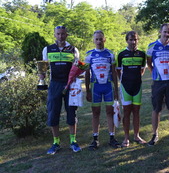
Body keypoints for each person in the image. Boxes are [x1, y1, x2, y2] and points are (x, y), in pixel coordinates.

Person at [40, 26, 81, 155]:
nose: (60, 36)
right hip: (55, 84)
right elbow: (44, 67)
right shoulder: (47, 49)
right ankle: (56, 143)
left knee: (71, 113)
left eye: (63, 34)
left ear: (66, 35)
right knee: (53, 113)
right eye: (58, 34)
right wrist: (42, 76)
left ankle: (73, 141)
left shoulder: (73, 49)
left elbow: (77, 67)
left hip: (70, 85)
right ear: (54, 35)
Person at [85, 30, 120, 150]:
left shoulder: (110, 54)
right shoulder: (89, 54)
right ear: (93, 40)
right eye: (97, 39)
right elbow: (87, 73)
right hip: (96, 87)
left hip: (108, 87)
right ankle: (95, 139)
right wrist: (87, 90)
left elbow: (114, 73)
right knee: (95, 113)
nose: (99, 41)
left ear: (104, 39)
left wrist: (116, 88)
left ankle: (112, 137)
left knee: (110, 112)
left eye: (101, 39)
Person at [146, 23, 169, 146]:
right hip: (158, 82)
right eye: (165, 32)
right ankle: (155, 134)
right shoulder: (152, 46)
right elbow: (149, 62)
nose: (167, 34)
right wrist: (154, 73)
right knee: (156, 109)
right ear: (160, 32)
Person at [116, 31, 147, 147]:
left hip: (137, 86)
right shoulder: (121, 54)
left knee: (136, 112)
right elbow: (118, 70)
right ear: (127, 40)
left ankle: (137, 135)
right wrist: (123, 81)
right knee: (127, 112)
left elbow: (142, 70)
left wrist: (136, 78)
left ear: (138, 40)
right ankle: (126, 138)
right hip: (125, 87)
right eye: (130, 40)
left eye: (135, 39)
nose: (133, 42)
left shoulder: (142, 54)